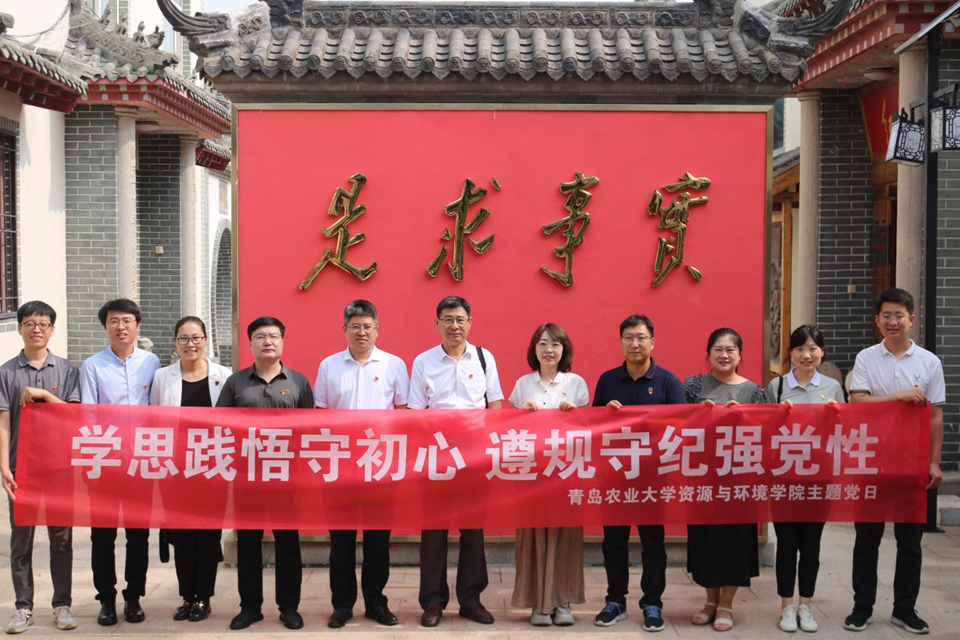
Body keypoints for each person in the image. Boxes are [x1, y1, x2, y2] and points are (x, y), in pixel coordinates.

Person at [844, 288, 944, 635]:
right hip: (871, 460)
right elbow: (858, 402)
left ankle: (904, 609)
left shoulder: (929, 362)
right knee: (866, 538)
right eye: (886, 315)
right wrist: (900, 396)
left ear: (911, 319)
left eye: (899, 315)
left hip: (912, 463)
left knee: (910, 541)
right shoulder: (867, 358)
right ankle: (862, 607)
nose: (892, 321)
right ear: (877, 320)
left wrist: (934, 462)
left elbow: (935, 416)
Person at [408, 296, 504, 628]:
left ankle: (471, 600)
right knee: (433, 531)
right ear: (436, 323)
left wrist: (486, 446)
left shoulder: (484, 357)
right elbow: (415, 412)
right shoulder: (423, 362)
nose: (454, 326)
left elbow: (495, 404)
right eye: (448, 319)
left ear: (470, 322)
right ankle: (433, 601)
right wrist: (440, 441)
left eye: (460, 319)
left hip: (475, 458)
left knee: (473, 530)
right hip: (436, 457)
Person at [314, 300, 409, 629]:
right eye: (355, 326)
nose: (362, 332)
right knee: (340, 542)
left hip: (380, 465)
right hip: (340, 466)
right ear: (344, 330)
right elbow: (320, 415)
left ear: (377, 330)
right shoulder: (329, 366)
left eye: (368, 326)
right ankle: (342, 605)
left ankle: (376, 602)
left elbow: (404, 414)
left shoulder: (394, 364)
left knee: (378, 541)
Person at [216, 316, 313, 631]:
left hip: (287, 478)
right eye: (260, 336)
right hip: (247, 478)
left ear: (283, 341)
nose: (267, 341)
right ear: (250, 343)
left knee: (288, 544)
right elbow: (219, 426)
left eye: (273, 335)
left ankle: (289, 607)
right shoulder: (236, 383)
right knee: (247, 543)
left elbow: (311, 431)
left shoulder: (298, 382)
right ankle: (250, 607)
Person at [591, 314, 685, 632]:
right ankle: (615, 600)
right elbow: (592, 426)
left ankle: (652, 602)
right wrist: (607, 416)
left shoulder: (668, 382)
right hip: (615, 476)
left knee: (653, 542)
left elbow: (680, 427)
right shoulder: (607, 380)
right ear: (620, 343)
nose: (635, 343)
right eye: (629, 337)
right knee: (613, 541)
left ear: (652, 342)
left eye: (641, 337)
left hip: (652, 478)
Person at [79, 299, 161, 626]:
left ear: (137, 325)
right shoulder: (92, 365)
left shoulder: (151, 362)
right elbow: (88, 414)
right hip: (106, 461)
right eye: (114, 321)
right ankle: (106, 599)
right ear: (105, 327)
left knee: (138, 535)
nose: (121, 327)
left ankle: (134, 596)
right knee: (102, 536)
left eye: (127, 320)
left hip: (141, 462)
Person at [0, 302, 81, 633]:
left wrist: (45, 395)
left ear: (52, 329)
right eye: (30, 323)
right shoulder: (6, 372)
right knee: (21, 541)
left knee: (61, 540)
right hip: (21, 470)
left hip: (59, 469)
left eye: (43, 324)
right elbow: (4, 421)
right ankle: (23, 607)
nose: (37, 329)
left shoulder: (67, 369)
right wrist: (4, 467)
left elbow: (74, 415)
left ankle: (62, 605)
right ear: (19, 328)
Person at [150, 316, 232, 623]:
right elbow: (155, 421)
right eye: (183, 338)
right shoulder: (163, 377)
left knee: (207, 536)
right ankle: (186, 596)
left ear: (206, 340)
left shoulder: (224, 376)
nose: (190, 344)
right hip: (175, 469)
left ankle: (203, 597)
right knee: (181, 536)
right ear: (175, 342)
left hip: (212, 468)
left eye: (196, 338)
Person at [683, 327, 766, 633]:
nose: (724, 355)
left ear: (740, 355)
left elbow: (767, 433)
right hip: (704, 478)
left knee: (735, 541)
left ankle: (727, 603)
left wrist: (744, 417)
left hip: (740, 480)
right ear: (708, 354)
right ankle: (709, 601)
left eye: (731, 349)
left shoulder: (754, 392)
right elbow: (677, 423)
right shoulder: (693, 386)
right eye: (718, 349)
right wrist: (697, 414)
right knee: (706, 540)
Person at [508, 322, 589, 627]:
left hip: (566, 471)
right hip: (531, 472)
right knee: (532, 536)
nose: (549, 350)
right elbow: (509, 430)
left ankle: (562, 601)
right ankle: (538, 603)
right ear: (534, 349)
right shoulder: (522, 385)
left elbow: (589, 428)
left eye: (555, 344)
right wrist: (521, 415)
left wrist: (575, 414)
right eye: (542, 343)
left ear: (564, 350)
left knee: (565, 536)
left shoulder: (576, 383)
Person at [766, 325, 844, 633]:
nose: (806, 355)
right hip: (784, 477)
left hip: (819, 477)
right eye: (799, 349)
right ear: (791, 353)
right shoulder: (777, 386)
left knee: (811, 546)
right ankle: (786, 606)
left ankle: (806, 605)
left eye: (812, 348)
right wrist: (778, 416)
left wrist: (837, 416)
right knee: (787, 545)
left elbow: (845, 431)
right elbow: (764, 431)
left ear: (822, 352)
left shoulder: (833, 387)